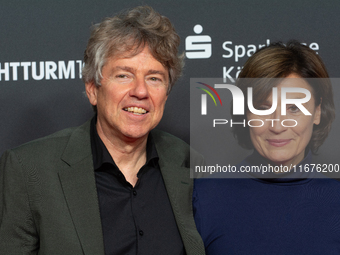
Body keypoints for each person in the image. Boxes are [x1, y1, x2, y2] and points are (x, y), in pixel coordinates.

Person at [0, 6, 205, 255]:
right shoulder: (30, 169)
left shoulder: (191, 164)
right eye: (123, 75)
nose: (140, 91)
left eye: (154, 78)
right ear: (92, 89)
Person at [193, 41, 340, 254]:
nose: (278, 125)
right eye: (262, 108)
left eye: (294, 108)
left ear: (317, 112)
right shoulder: (203, 199)